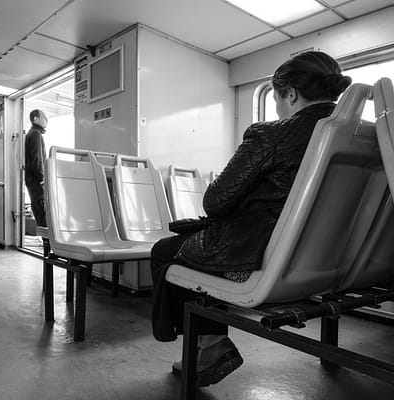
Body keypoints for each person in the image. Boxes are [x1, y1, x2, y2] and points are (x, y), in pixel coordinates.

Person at [150, 51, 352, 386]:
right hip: (336, 260)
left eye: (276, 98)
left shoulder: (273, 134)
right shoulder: (360, 137)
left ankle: (210, 344)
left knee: (166, 250)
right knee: (199, 245)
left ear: (290, 93)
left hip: (272, 259)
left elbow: (216, 202)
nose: (277, 107)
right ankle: (209, 344)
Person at [24, 109, 49, 228]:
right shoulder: (36, 134)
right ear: (36, 119)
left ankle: (46, 243)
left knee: (39, 212)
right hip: (36, 181)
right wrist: (42, 178)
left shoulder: (31, 133)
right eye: (43, 116)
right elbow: (37, 159)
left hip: (31, 180)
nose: (46, 120)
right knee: (43, 213)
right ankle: (47, 244)